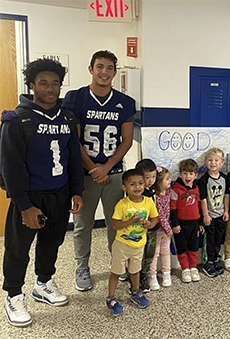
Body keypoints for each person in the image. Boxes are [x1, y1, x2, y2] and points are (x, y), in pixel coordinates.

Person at [0, 58, 84, 327]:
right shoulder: (17, 119)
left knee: (52, 243)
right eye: (44, 83)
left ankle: (44, 283)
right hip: (30, 198)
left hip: (59, 194)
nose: (51, 88)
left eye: (56, 83)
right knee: (18, 249)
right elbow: (10, 166)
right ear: (32, 84)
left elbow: (73, 158)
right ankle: (13, 295)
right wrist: (24, 205)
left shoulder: (68, 118)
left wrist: (76, 191)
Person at [63, 50, 136, 292]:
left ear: (115, 72)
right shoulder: (76, 98)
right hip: (85, 174)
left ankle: (118, 262)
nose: (104, 72)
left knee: (116, 222)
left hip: (113, 173)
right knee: (83, 224)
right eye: (100, 66)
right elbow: (75, 140)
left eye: (109, 68)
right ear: (91, 68)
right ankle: (82, 266)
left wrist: (105, 167)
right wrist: (94, 168)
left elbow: (126, 141)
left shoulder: (125, 102)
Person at [107, 169, 158, 316]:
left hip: (139, 244)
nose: (137, 187)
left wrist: (150, 224)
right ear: (124, 187)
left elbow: (154, 218)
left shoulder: (148, 202)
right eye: (132, 184)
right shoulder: (122, 204)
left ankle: (135, 292)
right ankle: (110, 297)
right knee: (116, 271)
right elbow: (115, 225)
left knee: (135, 270)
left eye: (141, 183)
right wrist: (131, 221)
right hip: (122, 245)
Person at [170, 159, 204, 283]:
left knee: (194, 247)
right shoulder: (176, 189)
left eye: (190, 174)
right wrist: (175, 224)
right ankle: (185, 269)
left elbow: (199, 207)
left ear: (195, 175)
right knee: (181, 247)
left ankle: (193, 267)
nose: (187, 176)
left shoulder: (196, 189)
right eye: (184, 173)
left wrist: (200, 223)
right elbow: (172, 208)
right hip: (180, 224)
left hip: (194, 224)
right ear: (180, 174)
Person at [199, 148, 228, 277]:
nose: (213, 163)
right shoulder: (204, 180)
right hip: (209, 216)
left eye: (216, 160)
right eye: (210, 160)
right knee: (209, 239)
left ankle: (216, 258)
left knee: (218, 238)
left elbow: (226, 196)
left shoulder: (224, 178)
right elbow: (203, 199)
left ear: (221, 163)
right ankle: (208, 261)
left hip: (221, 214)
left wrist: (226, 211)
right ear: (206, 162)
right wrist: (205, 215)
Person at [148, 166, 173, 289]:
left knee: (166, 252)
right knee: (155, 253)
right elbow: (160, 214)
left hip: (167, 229)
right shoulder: (155, 197)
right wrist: (167, 228)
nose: (170, 180)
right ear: (159, 182)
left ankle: (166, 273)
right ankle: (152, 275)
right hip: (158, 229)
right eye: (167, 179)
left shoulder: (168, 192)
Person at [135, 158, 158, 292]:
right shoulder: (137, 193)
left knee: (150, 253)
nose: (151, 180)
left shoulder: (153, 190)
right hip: (140, 228)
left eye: (153, 176)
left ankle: (144, 276)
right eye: (147, 177)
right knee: (139, 254)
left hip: (153, 227)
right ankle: (135, 277)